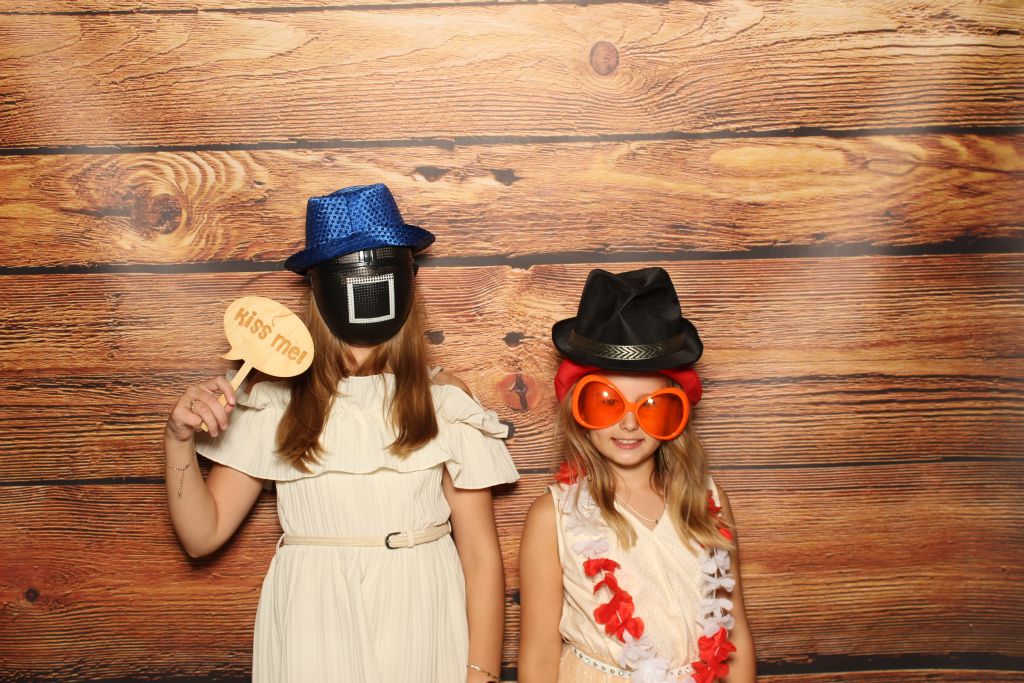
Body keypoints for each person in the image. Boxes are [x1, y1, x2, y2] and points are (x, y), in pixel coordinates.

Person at [163, 184, 519, 683]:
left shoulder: (442, 399)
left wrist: (480, 674)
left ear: (406, 279)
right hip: (315, 618)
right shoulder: (276, 402)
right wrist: (178, 440)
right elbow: (202, 536)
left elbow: (480, 556)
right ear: (318, 287)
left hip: (422, 612)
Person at [518, 267, 756, 682]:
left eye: (651, 406)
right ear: (578, 408)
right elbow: (538, 657)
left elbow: (735, 633)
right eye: (606, 402)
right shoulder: (553, 516)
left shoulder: (707, 502)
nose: (629, 424)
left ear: (677, 413)